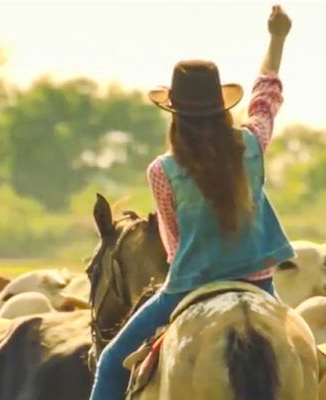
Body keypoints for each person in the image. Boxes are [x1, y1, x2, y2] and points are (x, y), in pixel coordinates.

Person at [89, 5, 294, 399]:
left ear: (175, 114)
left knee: (111, 365)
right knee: (311, 360)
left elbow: (174, 245)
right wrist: (277, 38)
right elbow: (266, 94)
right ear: (222, 108)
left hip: (189, 287)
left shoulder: (162, 171)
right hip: (260, 284)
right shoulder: (252, 144)